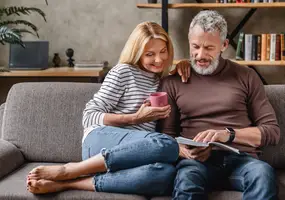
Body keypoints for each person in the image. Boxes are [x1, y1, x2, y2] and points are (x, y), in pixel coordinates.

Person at [26, 21, 190, 195]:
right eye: (150, 54)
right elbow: (89, 115)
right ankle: (69, 170)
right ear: (137, 53)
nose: (158, 59)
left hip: (134, 154)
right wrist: (135, 118)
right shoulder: (123, 72)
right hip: (100, 141)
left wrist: (185, 65)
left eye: (163, 52)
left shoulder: (162, 78)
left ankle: (67, 184)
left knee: (164, 174)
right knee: (167, 144)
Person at [158, 10, 280, 200]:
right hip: (196, 163)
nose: (200, 55)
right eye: (195, 46)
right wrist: (185, 152)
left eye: (209, 48)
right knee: (186, 181)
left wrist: (228, 134)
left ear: (223, 45)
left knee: (263, 174)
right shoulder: (173, 81)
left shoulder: (246, 76)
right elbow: (167, 136)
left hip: (242, 159)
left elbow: (272, 131)